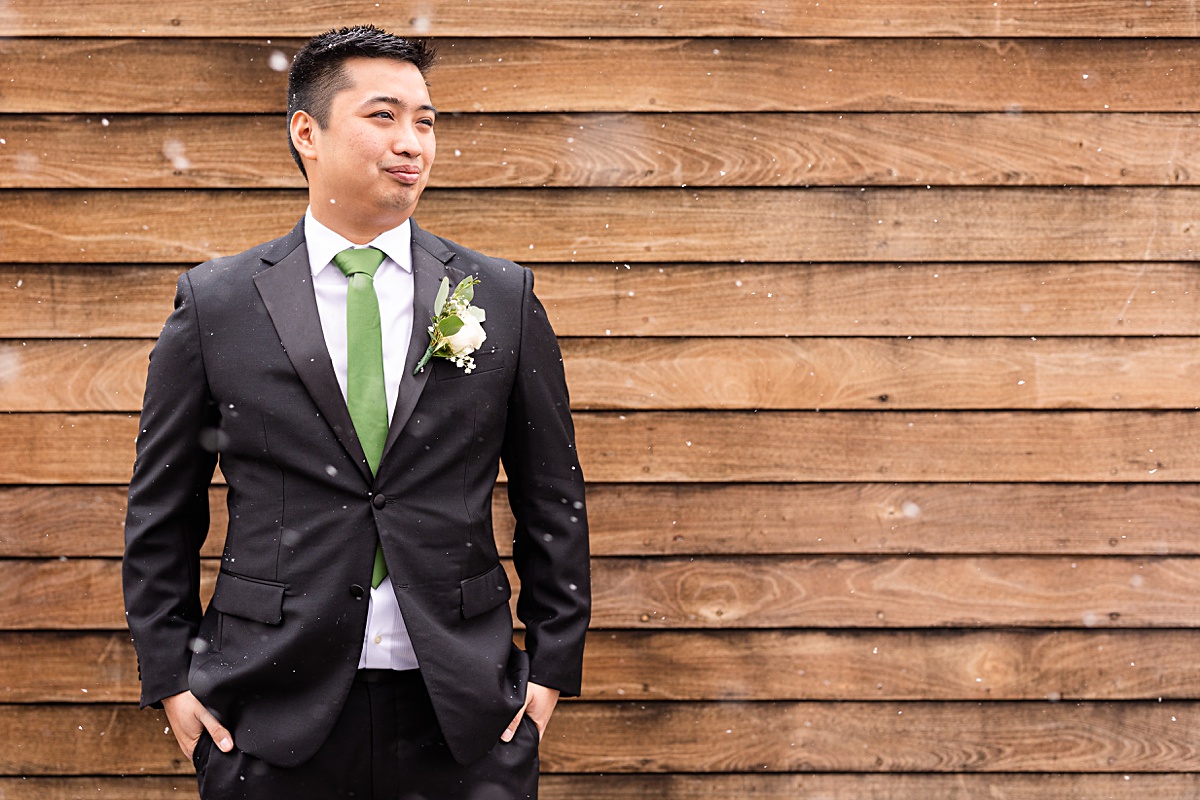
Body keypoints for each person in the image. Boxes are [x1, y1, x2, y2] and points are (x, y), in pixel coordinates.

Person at [122, 25, 590, 799]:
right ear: (307, 131)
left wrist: (548, 672)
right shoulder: (219, 302)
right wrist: (173, 676)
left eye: (427, 120)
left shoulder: (500, 297)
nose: (413, 142)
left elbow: (553, 498)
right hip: (268, 709)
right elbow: (161, 509)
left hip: (466, 712)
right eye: (384, 116)